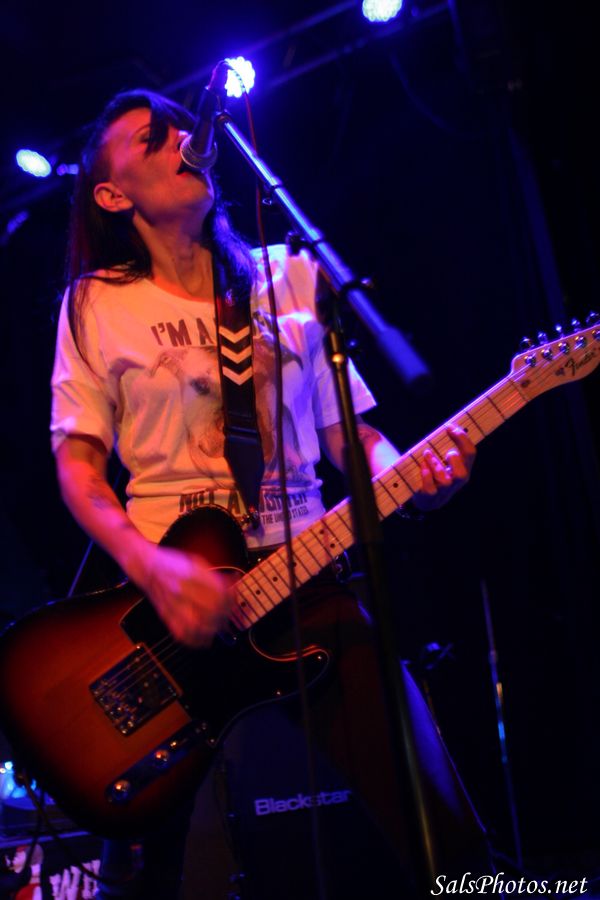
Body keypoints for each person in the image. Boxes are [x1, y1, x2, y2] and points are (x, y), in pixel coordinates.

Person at [50, 88, 485, 898]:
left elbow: (350, 438)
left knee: (440, 825)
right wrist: (153, 569)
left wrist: (414, 478)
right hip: (175, 605)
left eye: (182, 126)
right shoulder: (98, 302)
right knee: (162, 869)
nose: (182, 139)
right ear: (112, 194)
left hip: (308, 576)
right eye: (152, 138)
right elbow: (78, 468)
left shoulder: (291, 275)